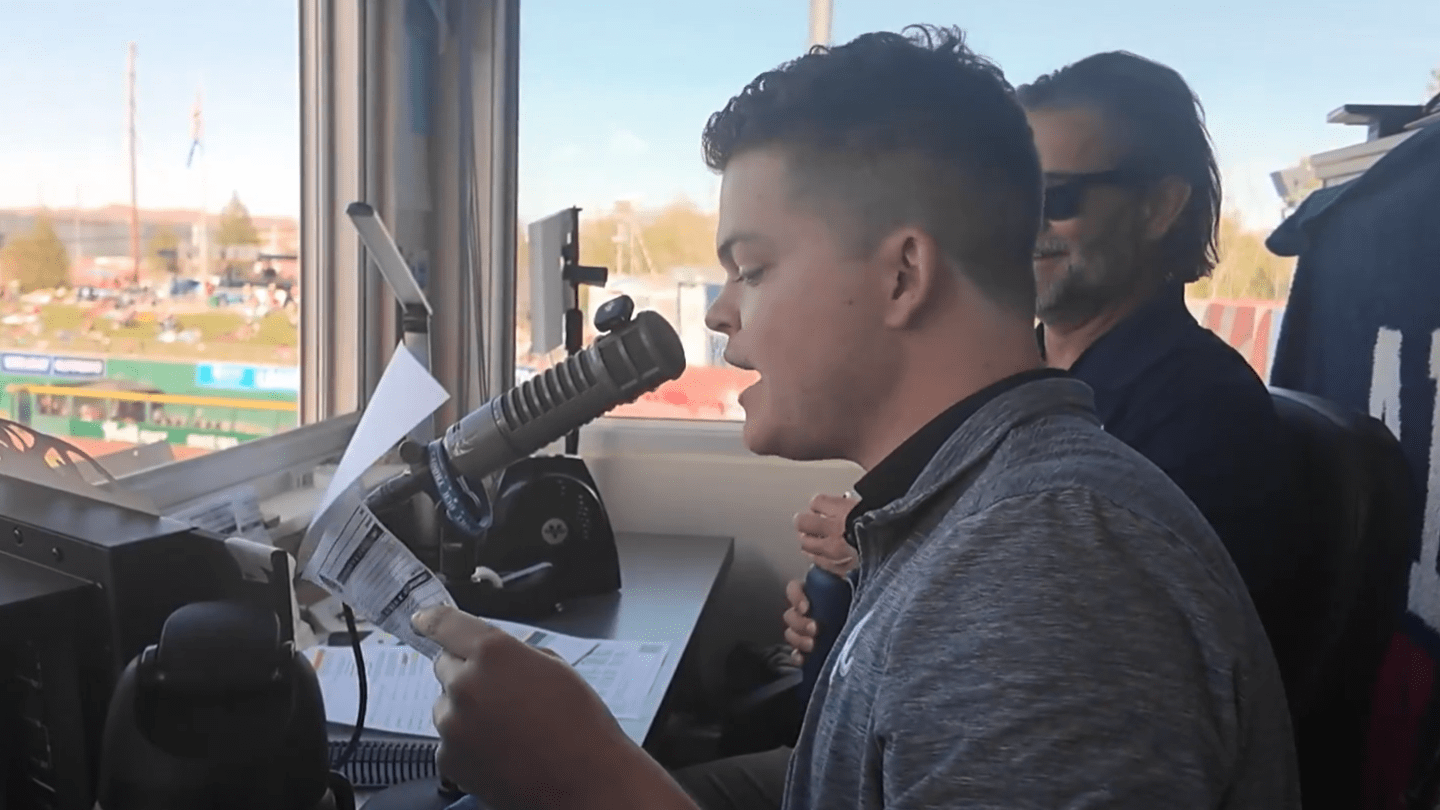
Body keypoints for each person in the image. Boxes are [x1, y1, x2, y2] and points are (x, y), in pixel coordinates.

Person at [413, 26, 1300, 810]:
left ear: (902, 275)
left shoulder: (1050, 566)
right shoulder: (970, 509)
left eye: (752, 270)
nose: (721, 316)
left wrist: (591, 783)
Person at [786, 51, 1308, 703]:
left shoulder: (1206, 419)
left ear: (1158, 208)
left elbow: (1087, 650)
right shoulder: (1003, 379)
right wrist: (857, 596)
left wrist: (877, 559)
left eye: (1052, 197)